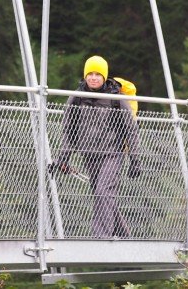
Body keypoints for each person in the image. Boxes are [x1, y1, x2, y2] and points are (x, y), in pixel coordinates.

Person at [52, 55, 141, 238]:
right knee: (102, 195)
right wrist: (63, 158)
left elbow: (131, 129)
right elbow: (69, 130)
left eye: (97, 74)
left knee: (103, 191)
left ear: (104, 76)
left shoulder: (117, 98)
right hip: (89, 155)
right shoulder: (77, 98)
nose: (93, 78)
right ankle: (124, 236)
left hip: (111, 154)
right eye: (90, 74)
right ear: (85, 76)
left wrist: (135, 159)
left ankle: (101, 237)